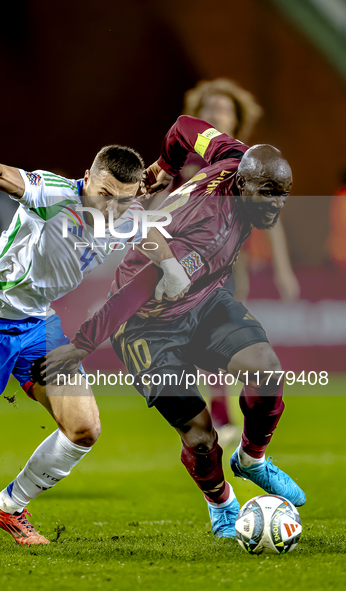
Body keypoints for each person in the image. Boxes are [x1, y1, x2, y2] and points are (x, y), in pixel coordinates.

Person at [0, 144, 191, 545]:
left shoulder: (127, 212)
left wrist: (171, 267)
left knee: (84, 428)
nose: (111, 209)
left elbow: (147, 229)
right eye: (104, 195)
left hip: (38, 326)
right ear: (87, 178)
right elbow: (7, 176)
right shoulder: (54, 193)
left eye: (122, 200)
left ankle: (8, 505)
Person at [43, 115, 306, 539]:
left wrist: (165, 166)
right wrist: (83, 344)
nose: (276, 205)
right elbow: (137, 290)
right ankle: (221, 503)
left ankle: (252, 459)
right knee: (200, 437)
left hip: (202, 302)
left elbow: (184, 126)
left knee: (266, 371)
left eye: (284, 195)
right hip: (146, 325)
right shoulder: (208, 229)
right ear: (242, 186)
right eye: (268, 194)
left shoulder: (232, 153)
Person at [149, 78, 299, 443]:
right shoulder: (182, 161)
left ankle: (218, 412)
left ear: (236, 119)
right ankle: (209, 413)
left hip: (226, 267)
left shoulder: (245, 160)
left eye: (223, 108)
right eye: (209, 108)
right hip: (178, 264)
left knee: (220, 336)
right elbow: (155, 202)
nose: (215, 113)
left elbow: (271, 221)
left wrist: (283, 270)